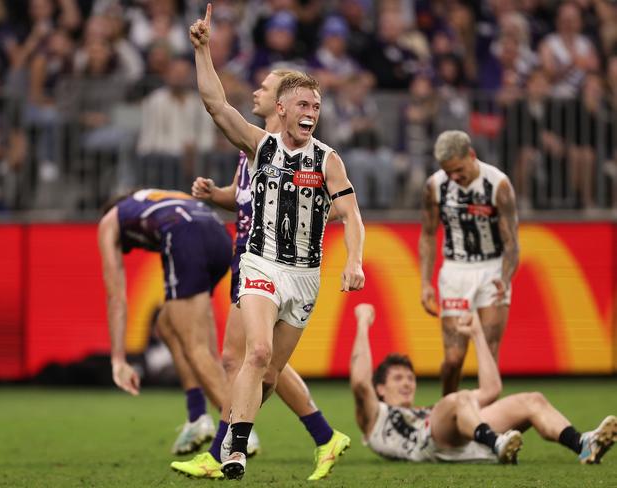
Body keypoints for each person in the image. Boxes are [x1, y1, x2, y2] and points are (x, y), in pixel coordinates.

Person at [188, 4, 365, 480]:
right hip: (260, 263)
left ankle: (231, 438)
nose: (311, 114)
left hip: (306, 277)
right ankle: (234, 452)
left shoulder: (329, 161)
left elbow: (350, 214)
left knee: (266, 376)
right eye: (302, 105)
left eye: (316, 107)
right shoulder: (259, 146)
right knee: (257, 352)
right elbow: (215, 104)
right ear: (282, 110)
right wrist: (203, 51)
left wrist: (355, 261)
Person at [350, 303, 617, 465]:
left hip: (463, 436)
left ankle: (582, 444)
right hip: (431, 441)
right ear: (380, 389)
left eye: (410, 377)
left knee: (532, 400)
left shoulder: (428, 410)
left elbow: (491, 390)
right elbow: (361, 382)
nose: (407, 382)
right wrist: (363, 322)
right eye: (398, 378)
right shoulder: (375, 416)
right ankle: (497, 443)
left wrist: (477, 334)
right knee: (458, 399)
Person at [97, 188, 232, 455]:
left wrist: (118, 359)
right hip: (219, 236)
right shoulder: (158, 199)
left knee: (195, 347)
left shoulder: (110, 220)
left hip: (185, 235)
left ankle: (238, 431)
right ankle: (197, 417)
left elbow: (116, 297)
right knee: (167, 326)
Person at [419, 130, 519, 395]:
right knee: (453, 360)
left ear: (471, 155)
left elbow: (511, 242)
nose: (454, 177)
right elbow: (428, 235)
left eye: (459, 169)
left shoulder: (498, 185)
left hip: (492, 270)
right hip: (455, 271)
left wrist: (505, 279)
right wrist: (425, 283)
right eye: (448, 171)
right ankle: (447, 417)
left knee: (489, 353)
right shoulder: (435, 186)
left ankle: (488, 426)